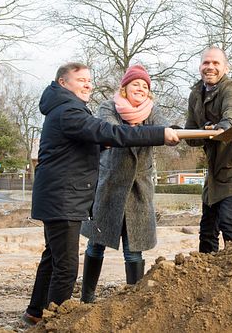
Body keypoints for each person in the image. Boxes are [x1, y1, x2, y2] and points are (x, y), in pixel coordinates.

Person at [23, 62, 179, 325]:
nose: (88, 84)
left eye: (89, 80)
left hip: (61, 196)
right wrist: (158, 134)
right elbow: (108, 132)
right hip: (64, 197)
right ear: (63, 83)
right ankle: (56, 323)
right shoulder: (69, 111)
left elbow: (88, 146)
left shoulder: (64, 109)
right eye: (81, 79)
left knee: (53, 258)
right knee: (66, 267)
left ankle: (36, 313)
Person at [79, 64, 164, 303]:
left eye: (145, 85)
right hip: (110, 186)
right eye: (135, 83)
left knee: (133, 248)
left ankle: (133, 303)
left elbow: (166, 127)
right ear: (124, 88)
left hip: (138, 188)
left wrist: (174, 132)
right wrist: (157, 133)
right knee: (96, 243)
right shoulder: (109, 107)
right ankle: (87, 297)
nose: (141, 88)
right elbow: (112, 132)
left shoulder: (152, 111)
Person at [185, 47, 232, 254]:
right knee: (207, 229)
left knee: (228, 220)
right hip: (216, 170)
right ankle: (208, 276)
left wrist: (224, 125)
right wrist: (177, 135)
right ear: (200, 66)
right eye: (206, 63)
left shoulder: (231, 89)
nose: (210, 67)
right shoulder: (195, 95)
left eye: (216, 63)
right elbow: (192, 135)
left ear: (225, 68)